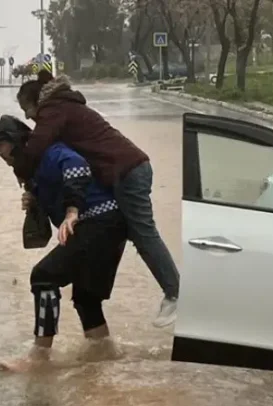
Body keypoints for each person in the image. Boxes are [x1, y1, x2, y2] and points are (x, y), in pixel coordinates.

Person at [14, 71, 179, 329]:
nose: (27, 117)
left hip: (127, 171)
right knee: (137, 233)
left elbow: (35, 148)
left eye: (26, 109)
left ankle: (175, 293)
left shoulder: (54, 109)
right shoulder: (65, 105)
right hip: (129, 169)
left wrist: (20, 169)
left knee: (143, 233)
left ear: (38, 102)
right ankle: (173, 292)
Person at [0, 115, 130, 373]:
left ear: (17, 141)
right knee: (86, 297)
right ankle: (105, 353)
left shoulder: (51, 153)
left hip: (100, 222)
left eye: (0, 144)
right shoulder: (33, 168)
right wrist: (35, 201)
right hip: (109, 225)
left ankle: (39, 356)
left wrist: (72, 210)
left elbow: (78, 167)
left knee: (43, 276)